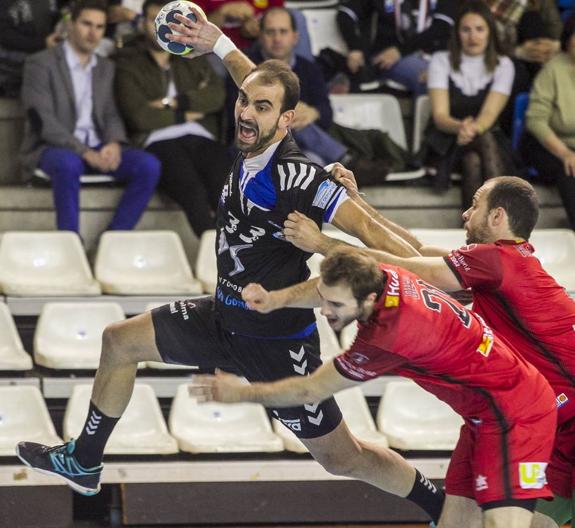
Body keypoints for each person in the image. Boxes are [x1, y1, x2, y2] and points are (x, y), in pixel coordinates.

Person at [15, 9, 448, 526]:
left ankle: (438, 503)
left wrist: (442, 274)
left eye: (262, 108)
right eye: (244, 100)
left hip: (275, 345)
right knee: (118, 340)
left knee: (342, 458)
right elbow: (256, 80)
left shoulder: (300, 178)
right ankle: (84, 460)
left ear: (287, 120)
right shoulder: (250, 136)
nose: (246, 111)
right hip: (222, 317)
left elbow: (374, 235)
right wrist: (218, 41)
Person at [282, 173, 575, 528]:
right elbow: (414, 252)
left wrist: (323, 243)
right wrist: (356, 204)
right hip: (546, 422)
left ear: (498, 216)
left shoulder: (499, 263)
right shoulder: (496, 267)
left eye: (475, 204)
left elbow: (405, 268)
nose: (465, 214)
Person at [190, 247, 557, 528]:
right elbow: (327, 288)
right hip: (482, 414)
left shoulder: (388, 335)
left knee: (499, 524)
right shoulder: (379, 276)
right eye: (324, 299)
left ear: (366, 302)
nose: (325, 311)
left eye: (334, 305)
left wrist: (240, 393)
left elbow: (309, 392)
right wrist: (276, 300)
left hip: (514, 415)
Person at [19, 0, 161, 234]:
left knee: (148, 165)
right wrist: (85, 152)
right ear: (71, 25)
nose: (92, 33)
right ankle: (71, 243)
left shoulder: (106, 67)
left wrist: (114, 143)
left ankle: (113, 240)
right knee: (68, 163)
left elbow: (111, 113)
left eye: (99, 27)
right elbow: (44, 122)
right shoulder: (40, 63)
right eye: (86, 24)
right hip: (53, 149)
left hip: (97, 147)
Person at [226, 6, 400, 184]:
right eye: (270, 32)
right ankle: (347, 160)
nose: (277, 39)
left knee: (316, 163)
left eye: (283, 32)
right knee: (287, 118)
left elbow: (326, 113)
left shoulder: (309, 68)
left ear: (295, 37)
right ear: (261, 36)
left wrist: (312, 112)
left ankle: (343, 165)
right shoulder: (244, 66)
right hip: (253, 144)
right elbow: (237, 117)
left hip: (300, 147)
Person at [115, 0, 232, 237]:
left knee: (225, 183)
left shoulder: (192, 57)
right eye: (152, 20)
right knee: (192, 190)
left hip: (199, 135)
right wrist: (187, 113)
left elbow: (215, 96)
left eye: (165, 21)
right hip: (156, 140)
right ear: (141, 23)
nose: (160, 28)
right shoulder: (128, 62)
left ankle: (236, 250)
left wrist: (171, 103)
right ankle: (214, 252)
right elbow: (139, 115)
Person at [425, 0, 518, 209]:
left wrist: (471, 129)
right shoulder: (440, 60)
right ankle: (500, 221)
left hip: (486, 135)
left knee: (473, 161)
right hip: (447, 140)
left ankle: (474, 235)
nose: (473, 36)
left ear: (490, 32)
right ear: (457, 33)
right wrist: (460, 127)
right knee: (478, 149)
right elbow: (440, 117)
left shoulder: (504, 65)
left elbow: (488, 115)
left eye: (479, 29)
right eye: (466, 29)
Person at [521, 13, 575, 232]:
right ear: (568, 38)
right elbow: (535, 120)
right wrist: (565, 153)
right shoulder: (553, 69)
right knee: (570, 171)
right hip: (547, 144)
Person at [336, 0, 457, 94]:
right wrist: (355, 47)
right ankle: (430, 125)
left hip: (436, 57)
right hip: (392, 59)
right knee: (431, 80)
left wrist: (401, 50)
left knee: (452, 80)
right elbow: (345, 14)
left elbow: (441, 28)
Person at [0, 0, 67, 98]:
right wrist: (42, 43)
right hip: (13, 69)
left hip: (45, 61)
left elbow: (60, 15)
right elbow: (4, 34)